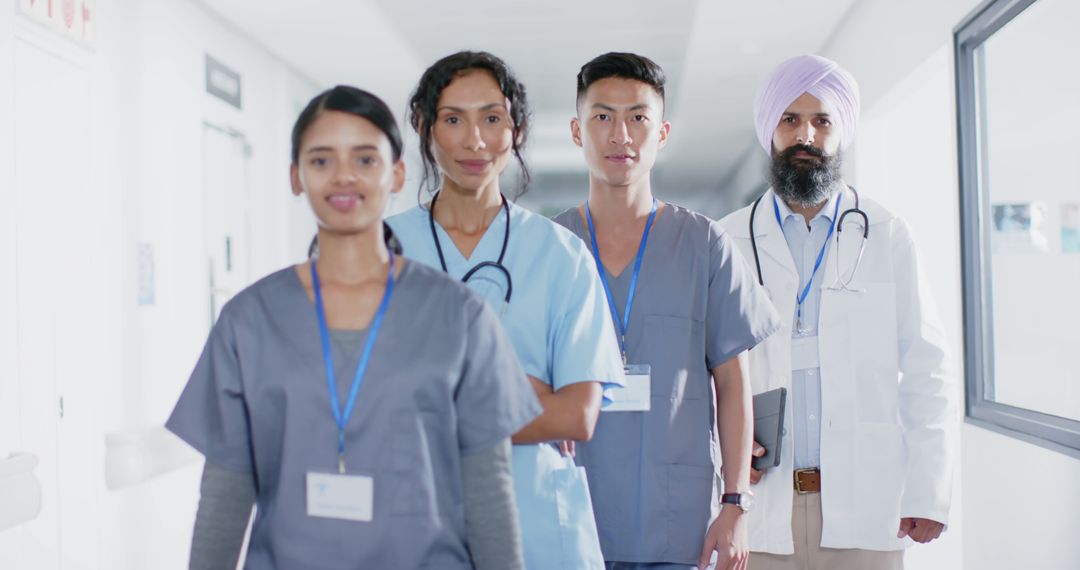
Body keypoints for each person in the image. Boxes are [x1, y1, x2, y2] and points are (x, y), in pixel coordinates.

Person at [167, 85, 541, 570]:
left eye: (366, 160)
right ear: (295, 177)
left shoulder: (460, 316)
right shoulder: (248, 321)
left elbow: (489, 491)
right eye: (321, 161)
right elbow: (225, 492)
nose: (344, 175)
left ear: (397, 173)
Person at [387, 51, 625, 570]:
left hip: (537, 528)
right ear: (425, 129)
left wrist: (439, 397)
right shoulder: (385, 252)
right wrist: (524, 395)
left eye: (492, 118)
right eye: (453, 119)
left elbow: (577, 415)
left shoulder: (561, 255)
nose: (475, 140)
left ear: (515, 130)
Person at [717, 54, 956, 570]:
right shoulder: (726, 240)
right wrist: (724, 455)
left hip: (866, 506)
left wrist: (928, 489)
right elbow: (700, 369)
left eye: (822, 121)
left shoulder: (886, 234)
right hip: (759, 508)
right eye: (790, 119)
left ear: (840, 133)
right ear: (770, 132)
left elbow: (926, 366)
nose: (806, 135)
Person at [552, 52, 782, 570]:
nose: (620, 135)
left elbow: (732, 383)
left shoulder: (704, 244)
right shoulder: (550, 248)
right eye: (603, 117)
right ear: (576, 130)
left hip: (678, 522)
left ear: (662, 133)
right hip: (571, 514)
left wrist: (736, 502)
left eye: (638, 118)